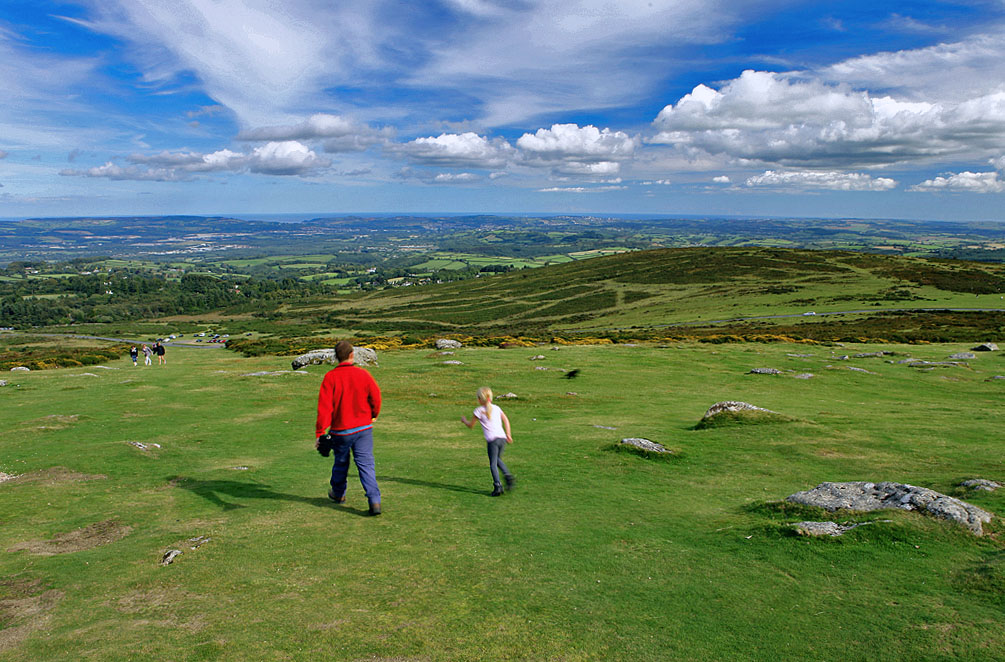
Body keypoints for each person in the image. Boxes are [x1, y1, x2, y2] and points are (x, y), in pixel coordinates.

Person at [315, 340, 383, 515]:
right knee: (366, 464)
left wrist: (320, 432)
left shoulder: (330, 377)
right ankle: (374, 500)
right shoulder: (363, 374)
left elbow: (324, 408)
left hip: (341, 431)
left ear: (336, 357)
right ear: (352, 355)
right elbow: (376, 397)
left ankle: (338, 494)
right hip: (363, 428)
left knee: (341, 463)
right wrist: (373, 414)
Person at [461, 386, 515, 496]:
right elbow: (506, 420)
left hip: (492, 440)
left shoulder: (478, 411)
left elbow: (471, 425)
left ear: (480, 399)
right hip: (502, 438)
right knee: (498, 459)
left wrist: (464, 421)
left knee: (493, 463)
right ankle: (508, 476)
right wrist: (508, 434)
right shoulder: (497, 408)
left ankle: (497, 486)